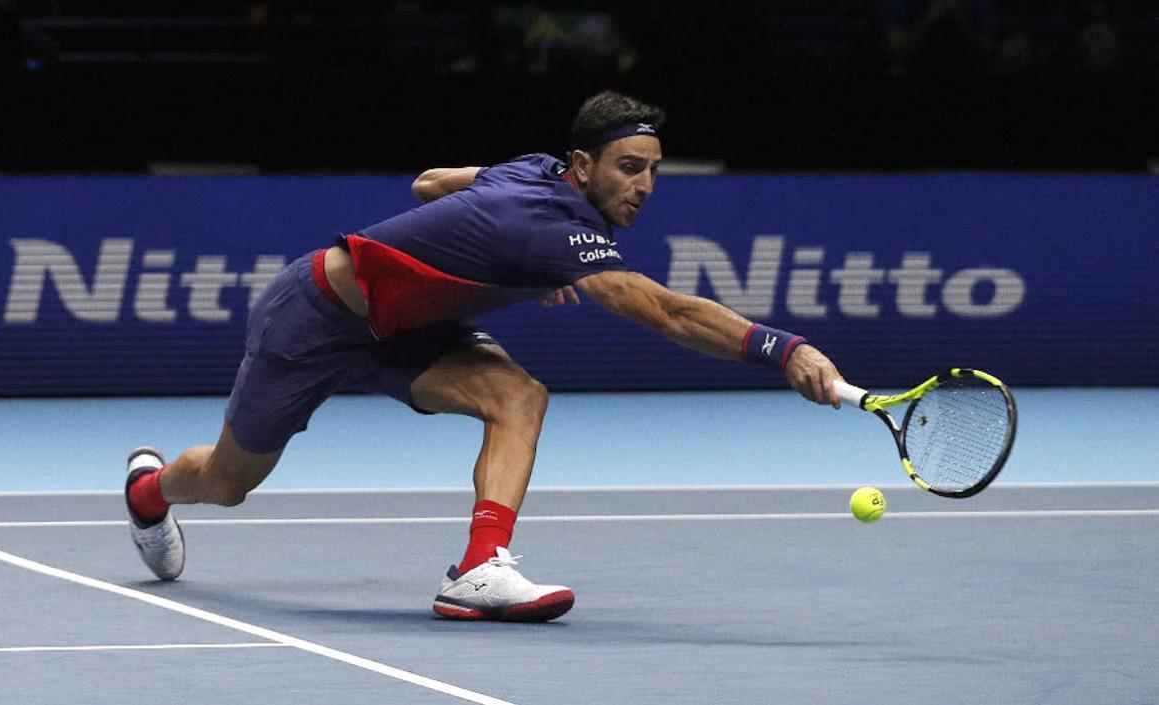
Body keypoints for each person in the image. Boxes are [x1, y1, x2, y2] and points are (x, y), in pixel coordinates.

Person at [124, 91, 845, 622]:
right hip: (315, 318)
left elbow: (430, 182)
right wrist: (785, 350)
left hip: (409, 333)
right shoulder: (555, 226)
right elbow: (666, 311)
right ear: (584, 164)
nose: (644, 187)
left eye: (653, 170)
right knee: (226, 482)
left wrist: (510, 259)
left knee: (519, 395)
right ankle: (148, 493)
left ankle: (478, 567)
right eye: (629, 168)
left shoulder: (531, 171)